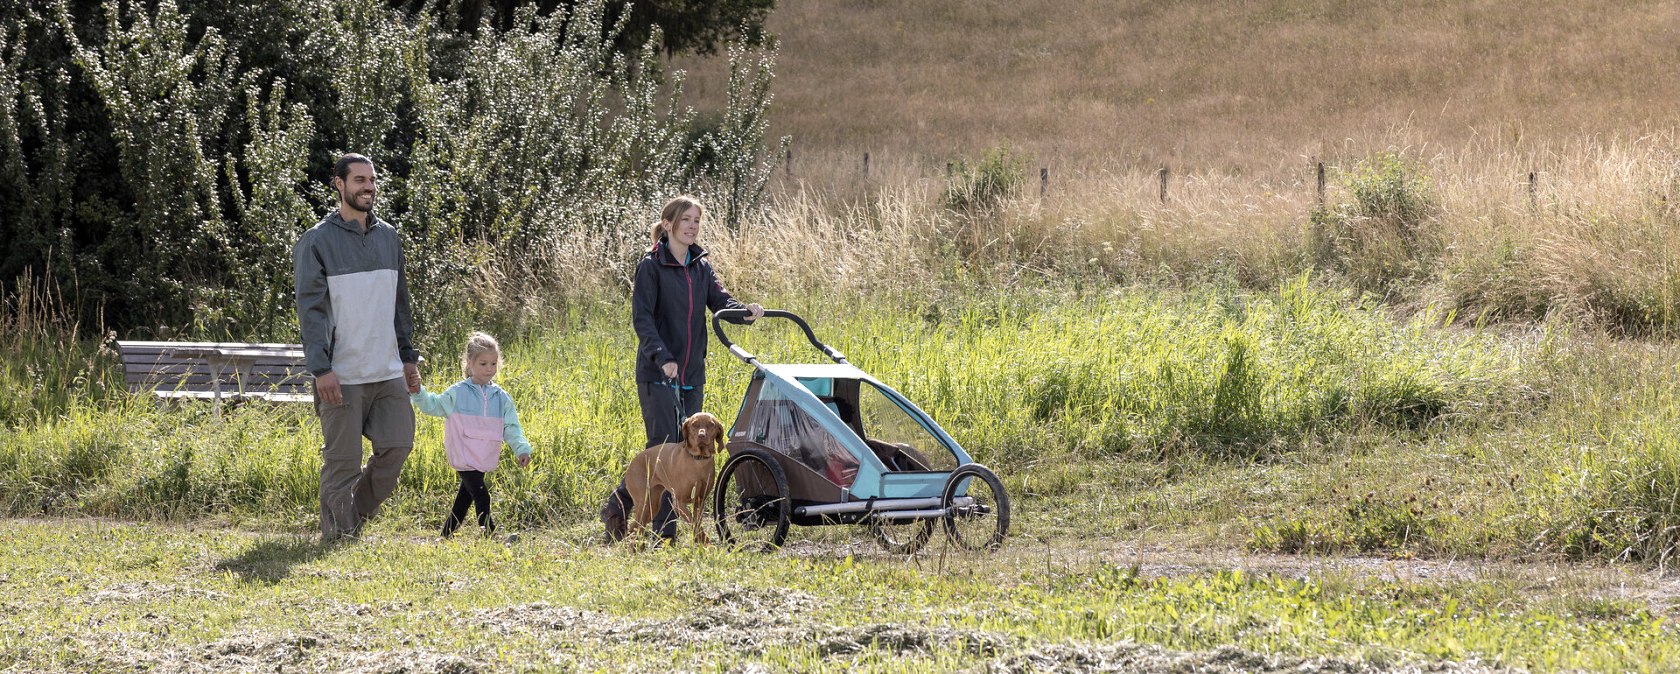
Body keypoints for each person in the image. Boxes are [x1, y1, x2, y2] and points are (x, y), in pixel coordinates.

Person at [293, 153, 423, 543]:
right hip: (341, 374)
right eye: (359, 180)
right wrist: (321, 369)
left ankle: (352, 515)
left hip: (386, 371)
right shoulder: (317, 242)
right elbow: (311, 311)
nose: (368, 187)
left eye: (371, 180)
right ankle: (339, 535)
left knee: (398, 447)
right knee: (342, 464)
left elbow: (400, 302)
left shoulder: (388, 237)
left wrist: (408, 357)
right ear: (339, 184)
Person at [618, 195, 763, 537]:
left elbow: (720, 302)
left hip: (691, 373)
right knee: (661, 449)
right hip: (658, 374)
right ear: (668, 225)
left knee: (685, 451)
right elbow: (642, 320)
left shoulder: (701, 267)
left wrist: (746, 311)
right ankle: (659, 531)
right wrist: (662, 357)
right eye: (686, 220)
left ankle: (626, 514)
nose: (692, 227)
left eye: (697, 221)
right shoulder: (651, 266)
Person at [411, 331, 534, 538]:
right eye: (483, 364)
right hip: (464, 456)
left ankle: (445, 536)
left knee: (464, 500)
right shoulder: (458, 393)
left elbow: (511, 427)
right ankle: (490, 535)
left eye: (493, 364)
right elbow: (433, 406)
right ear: (470, 364)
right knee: (482, 495)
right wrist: (417, 391)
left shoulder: (501, 398)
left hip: (483, 456)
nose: (489, 369)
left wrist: (521, 448)